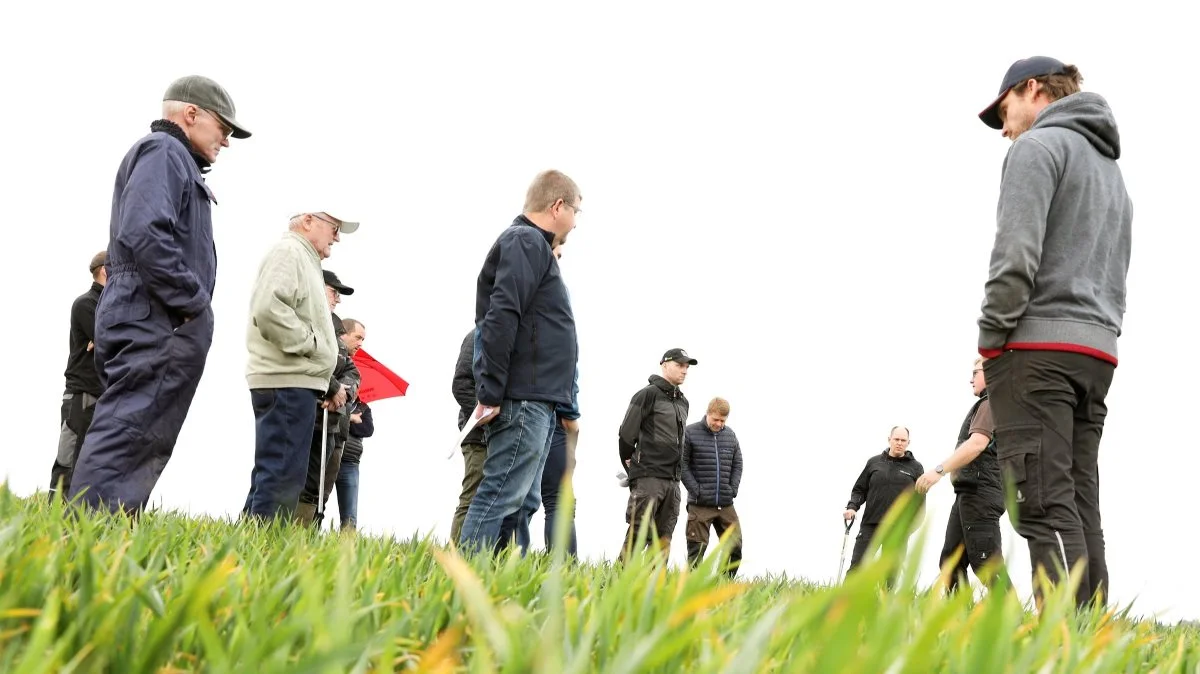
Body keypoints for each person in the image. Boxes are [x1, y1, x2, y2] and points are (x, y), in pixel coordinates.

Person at [976, 57, 1132, 609]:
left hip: (1036, 349)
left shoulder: (1038, 149)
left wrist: (991, 339)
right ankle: (1091, 636)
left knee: (1041, 500)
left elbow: (1014, 258)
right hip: (1097, 351)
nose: (1005, 128)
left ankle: (1059, 636)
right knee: (1078, 498)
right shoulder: (1111, 174)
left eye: (1004, 111)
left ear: (1032, 89)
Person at [69, 75, 250, 514]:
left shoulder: (170, 158)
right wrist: (192, 302)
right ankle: (89, 542)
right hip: (157, 317)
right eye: (222, 128)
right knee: (130, 427)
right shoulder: (165, 151)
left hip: (153, 313)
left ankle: (106, 538)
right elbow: (144, 231)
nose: (225, 140)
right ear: (191, 114)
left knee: (139, 431)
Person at [459, 169, 581, 554]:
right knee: (500, 495)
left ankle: (496, 580)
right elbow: (501, 317)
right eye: (577, 211)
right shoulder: (525, 241)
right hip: (523, 396)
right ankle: (465, 583)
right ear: (557, 206)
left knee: (523, 502)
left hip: (541, 398)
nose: (576, 222)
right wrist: (491, 391)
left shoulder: (535, 247)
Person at [242, 212, 353, 520]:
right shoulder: (290, 252)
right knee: (281, 477)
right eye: (334, 228)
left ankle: (248, 547)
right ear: (308, 221)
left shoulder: (302, 259)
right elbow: (269, 309)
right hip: (287, 379)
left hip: (294, 378)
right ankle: (263, 554)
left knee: (278, 473)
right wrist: (315, 348)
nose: (337, 237)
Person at [915, 358, 1009, 593]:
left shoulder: (992, 404)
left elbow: (977, 444)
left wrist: (938, 471)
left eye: (975, 373)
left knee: (986, 562)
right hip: (968, 494)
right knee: (951, 562)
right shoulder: (990, 404)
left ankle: (1014, 620)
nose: (970, 379)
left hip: (980, 495)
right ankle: (957, 618)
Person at [618, 348, 696, 562]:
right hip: (649, 477)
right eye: (680, 365)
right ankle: (617, 583)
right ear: (664, 365)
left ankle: (655, 588)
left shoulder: (683, 402)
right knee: (638, 532)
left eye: (687, 366)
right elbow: (626, 435)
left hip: (673, 481)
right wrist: (633, 469)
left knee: (664, 539)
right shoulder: (647, 394)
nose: (685, 370)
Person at [296, 270, 361, 525]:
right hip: (301, 411)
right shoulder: (303, 316)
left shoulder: (334, 330)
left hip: (330, 423)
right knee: (286, 478)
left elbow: (352, 372)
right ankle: (265, 535)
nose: (338, 299)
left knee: (316, 486)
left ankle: (301, 537)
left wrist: (340, 392)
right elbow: (305, 358)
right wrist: (330, 388)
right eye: (335, 292)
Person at [50, 251, 108, 499]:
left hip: (101, 397)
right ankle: (53, 520)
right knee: (69, 461)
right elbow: (109, 341)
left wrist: (105, 339)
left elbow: (110, 341)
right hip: (81, 397)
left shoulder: (107, 307)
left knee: (92, 465)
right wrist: (105, 338)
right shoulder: (86, 304)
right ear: (104, 270)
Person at [843, 427, 924, 572]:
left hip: (897, 528)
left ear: (908, 442)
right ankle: (845, 595)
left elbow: (919, 503)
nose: (899, 443)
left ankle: (885, 595)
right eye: (896, 439)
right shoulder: (874, 463)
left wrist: (909, 529)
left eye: (903, 440)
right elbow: (860, 489)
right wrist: (852, 507)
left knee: (890, 573)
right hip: (870, 525)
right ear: (889, 440)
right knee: (857, 568)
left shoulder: (916, 468)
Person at [682, 397, 744, 577]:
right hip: (700, 504)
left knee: (735, 547)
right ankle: (691, 588)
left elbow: (738, 463)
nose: (718, 423)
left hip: (725, 503)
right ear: (708, 414)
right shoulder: (690, 433)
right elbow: (682, 465)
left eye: (722, 421)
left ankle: (723, 586)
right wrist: (696, 490)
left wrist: (732, 488)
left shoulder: (730, 435)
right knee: (697, 551)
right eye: (715, 419)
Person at [450, 327, 488, 545]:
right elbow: (461, 384)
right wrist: (483, 414)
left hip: (499, 435)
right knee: (472, 496)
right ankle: (456, 554)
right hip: (477, 434)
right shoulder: (476, 336)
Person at [334, 318, 368, 530]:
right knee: (318, 494)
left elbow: (368, 428)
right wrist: (351, 417)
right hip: (334, 448)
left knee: (349, 514)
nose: (361, 343)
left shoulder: (364, 405)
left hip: (351, 459)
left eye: (363, 339)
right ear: (344, 333)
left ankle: (347, 542)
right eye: (358, 337)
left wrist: (352, 416)